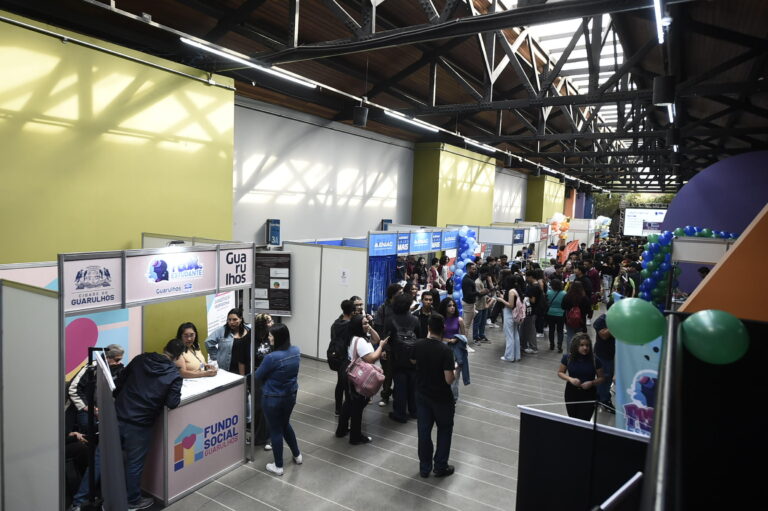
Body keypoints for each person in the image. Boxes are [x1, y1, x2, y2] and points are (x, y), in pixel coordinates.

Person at [69, 339, 184, 511]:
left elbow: (119, 383)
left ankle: (78, 501)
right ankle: (132, 501)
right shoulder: (174, 376)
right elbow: (172, 402)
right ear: (179, 356)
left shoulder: (139, 360)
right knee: (134, 464)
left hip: (118, 415)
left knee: (100, 459)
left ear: (164, 348)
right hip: (141, 424)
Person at [411, 313, 460, 478]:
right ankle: (440, 466)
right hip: (441, 398)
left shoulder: (418, 345)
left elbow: (413, 361)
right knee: (444, 430)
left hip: (422, 394)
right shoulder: (445, 351)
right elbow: (448, 380)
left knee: (423, 432)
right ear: (444, 329)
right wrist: (455, 369)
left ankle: (424, 468)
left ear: (428, 328)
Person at [254, 324, 302, 476]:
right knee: (285, 424)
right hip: (290, 396)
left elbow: (257, 375)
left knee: (275, 430)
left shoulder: (271, 357)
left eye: (271, 336)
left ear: (278, 337)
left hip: (272, 399)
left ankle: (278, 466)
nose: (268, 338)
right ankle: (297, 455)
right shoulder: (296, 351)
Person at [335, 314, 386, 445]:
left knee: (349, 403)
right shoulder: (361, 341)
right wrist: (381, 346)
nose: (367, 324)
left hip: (348, 372)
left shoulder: (353, 337)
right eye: (364, 323)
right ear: (357, 326)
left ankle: (341, 430)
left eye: (367, 322)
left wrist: (369, 328)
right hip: (358, 376)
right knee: (358, 406)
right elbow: (371, 358)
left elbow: (376, 338)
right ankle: (355, 437)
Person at [68, 344, 125, 433]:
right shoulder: (92, 367)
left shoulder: (120, 369)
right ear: (107, 358)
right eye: (117, 360)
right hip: (87, 407)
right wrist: (87, 407)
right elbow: (73, 388)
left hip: (107, 408)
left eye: (120, 360)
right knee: (89, 427)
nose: (119, 362)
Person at [236, 313, 273, 448]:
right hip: (255, 377)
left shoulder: (270, 336)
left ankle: (267, 437)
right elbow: (242, 362)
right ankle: (258, 436)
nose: (272, 323)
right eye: (269, 321)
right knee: (259, 407)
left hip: (270, 376)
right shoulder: (247, 340)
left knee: (267, 407)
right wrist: (243, 381)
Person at [386, 293, 420, 423]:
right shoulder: (415, 320)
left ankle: (400, 413)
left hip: (397, 358)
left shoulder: (390, 320)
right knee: (413, 385)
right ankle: (414, 410)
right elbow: (419, 337)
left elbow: (386, 339)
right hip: (413, 358)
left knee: (400, 386)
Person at [557, 333, 605, 421]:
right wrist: (570, 379)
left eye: (587, 345)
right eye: (582, 345)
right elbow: (560, 372)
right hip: (571, 392)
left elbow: (602, 378)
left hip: (589, 393)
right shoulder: (567, 358)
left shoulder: (595, 360)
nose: (585, 348)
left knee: (584, 420)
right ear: (576, 346)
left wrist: (592, 383)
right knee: (573, 419)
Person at [374, 283, 402, 407]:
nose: (402, 295)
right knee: (387, 373)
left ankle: (398, 395)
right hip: (387, 347)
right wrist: (382, 348)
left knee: (399, 373)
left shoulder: (402, 307)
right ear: (392, 294)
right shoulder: (383, 309)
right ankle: (385, 395)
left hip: (400, 346)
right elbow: (379, 330)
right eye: (399, 293)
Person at [205, 308, 251, 374]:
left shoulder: (249, 329)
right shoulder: (222, 330)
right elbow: (208, 342)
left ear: (240, 319)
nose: (231, 322)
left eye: (235, 319)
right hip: (229, 367)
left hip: (247, 366)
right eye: (229, 320)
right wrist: (217, 356)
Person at [592, 313, 616, 413]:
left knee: (607, 376)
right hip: (603, 354)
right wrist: (617, 324)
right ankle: (604, 400)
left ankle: (599, 396)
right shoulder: (602, 319)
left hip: (611, 353)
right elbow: (604, 335)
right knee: (605, 377)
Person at [498, 275, 523, 362]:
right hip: (515, 315)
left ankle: (509, 356)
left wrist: (501, 300)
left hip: (509, 314)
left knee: (509, 335)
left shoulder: (511, 291)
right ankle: (516, 355)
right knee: (515, 334)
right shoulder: (516, 290)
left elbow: (510, 305)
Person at [561, 281, 591, 348]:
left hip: (569, 319)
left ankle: (570, 353)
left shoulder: (567, 296)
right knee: (580, 337)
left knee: (570, 336)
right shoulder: (584, 297)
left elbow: (563, 306)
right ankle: (578, 353)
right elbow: (589, 309)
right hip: (581, 320)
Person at [521, 273, 541, 354]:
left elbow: (533, 300)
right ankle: (526, 345)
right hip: (533, 310)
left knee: (530, 329)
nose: (526, 278)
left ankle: (533, 347)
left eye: (527, 277)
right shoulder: (537, 286)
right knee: (528, 328)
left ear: (531, 277)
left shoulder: (533, 288)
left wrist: (525, 297)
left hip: (530, 310)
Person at [546, 279, 567, 352]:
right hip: (561, 313)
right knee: (560, 330)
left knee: (551, 330)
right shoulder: (564, 293)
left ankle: (552, 345)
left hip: (550, 313)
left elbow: (546, 302)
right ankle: (559, 345)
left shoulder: (548, 292)